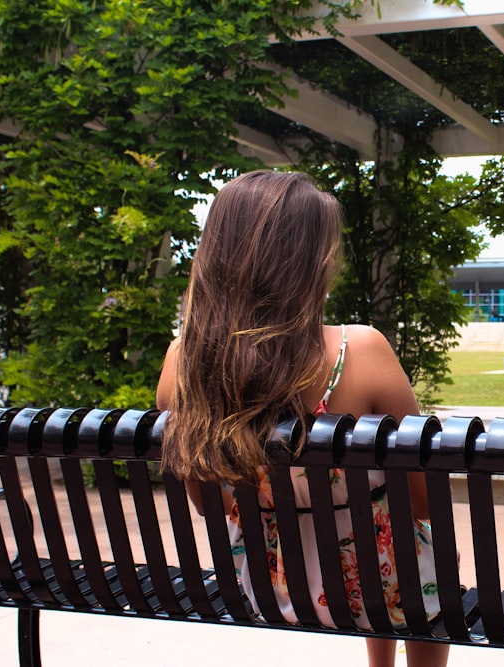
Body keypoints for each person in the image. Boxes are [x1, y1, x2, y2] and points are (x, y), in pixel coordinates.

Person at [156, 170, 449, 667]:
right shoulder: (362, 351)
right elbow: (422, 504)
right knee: (404, 541)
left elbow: (208, 502)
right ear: (312, 263)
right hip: (385, 588)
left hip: (273, 587)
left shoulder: (182, 363)